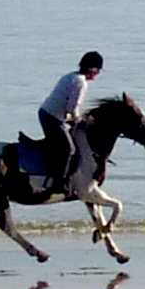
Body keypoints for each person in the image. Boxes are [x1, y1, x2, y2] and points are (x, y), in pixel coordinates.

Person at [39, 51, 103, 192]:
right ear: (92, 69)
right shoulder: (81, 83)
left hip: (49, 114)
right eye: (98, 70)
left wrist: (74, 120)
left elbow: (67, 108)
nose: (98, 74)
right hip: (53, 118)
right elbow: (72, 108)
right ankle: (58, 185)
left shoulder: (71, 76)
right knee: (69, 149)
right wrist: (79, 121)